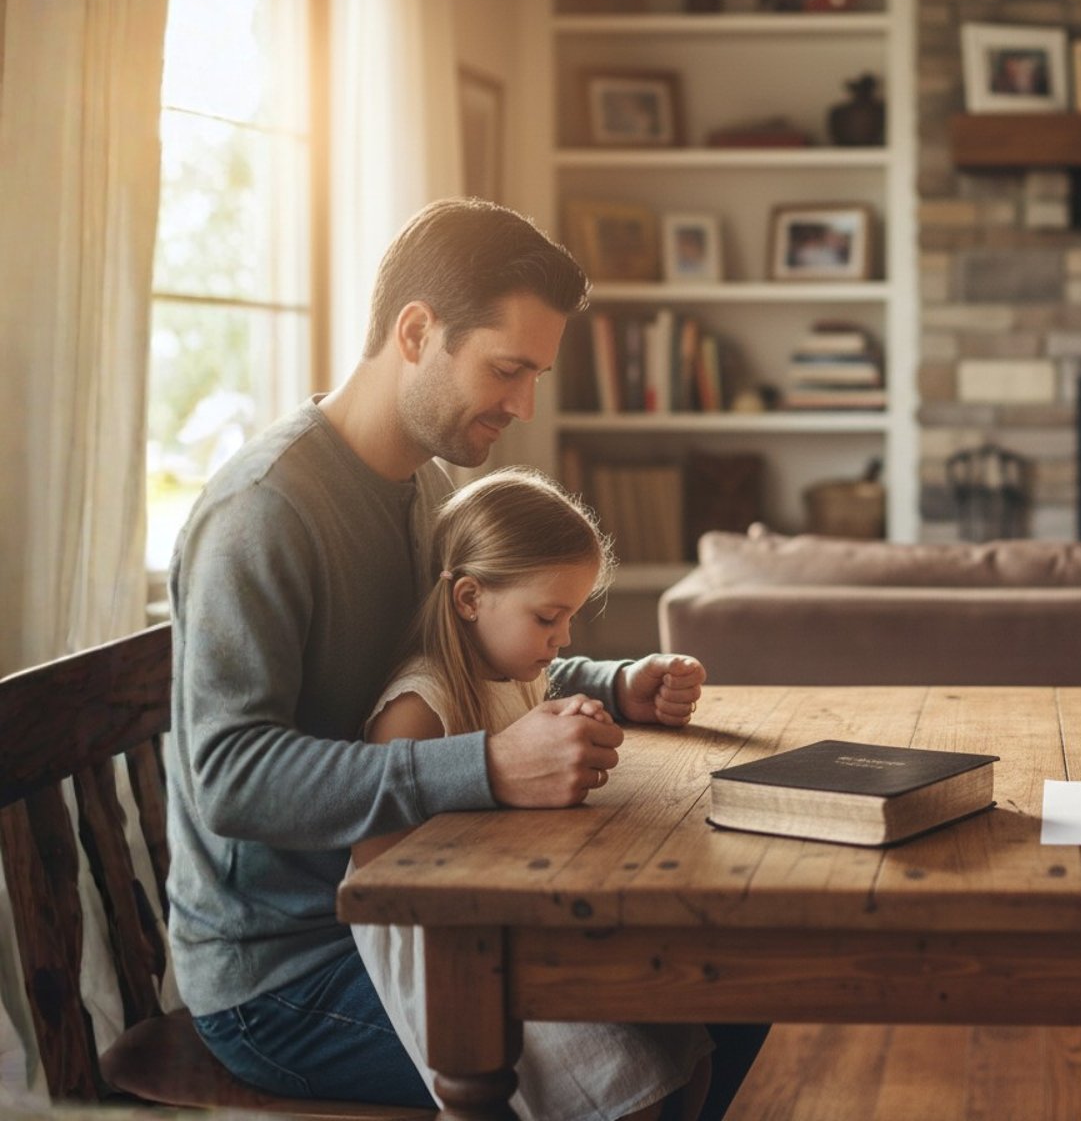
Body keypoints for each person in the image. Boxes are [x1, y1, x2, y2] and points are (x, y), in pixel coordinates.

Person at [166, 198, 765, 1112]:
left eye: (536, 375)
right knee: (670, 1022)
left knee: (735, 986)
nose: (524, 406)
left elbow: (456, 655)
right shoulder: (263, 512)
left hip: (432, 903)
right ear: (416, 333)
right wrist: (488, 765)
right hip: (288, 976)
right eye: (507, 369)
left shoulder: (421, 487)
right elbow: (230, 779)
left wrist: (613, 685)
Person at [352, 467, 713, 1119]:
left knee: (685, 1039)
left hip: (514, 912)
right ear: (469, 598)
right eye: (549, 616)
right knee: (627, 1078)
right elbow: (380, 872)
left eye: (570, 616)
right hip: (446, 950)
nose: (564, 638)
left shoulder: (516, 674)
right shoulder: (418, 708)